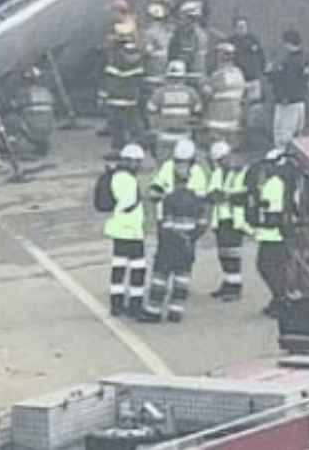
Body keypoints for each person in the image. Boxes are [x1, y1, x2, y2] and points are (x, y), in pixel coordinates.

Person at [139, 138, 208, 323]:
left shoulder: (192, 178)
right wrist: (192, 235)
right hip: (187, 234)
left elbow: (158, 197)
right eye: (179, 162)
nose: (180, 166)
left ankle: (154, 310)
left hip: (172, 234)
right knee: (182, 273)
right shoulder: (170, 168)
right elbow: (202, 214)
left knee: (162, 273)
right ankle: (176, 311)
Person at [248, 148, 293, 318]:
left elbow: (273, 211)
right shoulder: (277, 181)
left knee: (269, 267)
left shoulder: (276, 182)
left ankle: (281, 300)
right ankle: (278, 299)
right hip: (273, 233)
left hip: (274, 234)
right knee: (270, 267)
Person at [104, 144, 147, 317]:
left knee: (119, 268)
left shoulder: (116, 176)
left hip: (120, 229)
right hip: (130, 230)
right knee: (138, 269)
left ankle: (117, 304)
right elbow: (129, 202)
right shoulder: (126, 178)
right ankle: (135, 305)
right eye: (138, 162)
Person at [206, 141, 249, 301]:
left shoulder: (241, 172)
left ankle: (235, 288)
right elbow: (212, 194)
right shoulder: (218, 173)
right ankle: (227, 283)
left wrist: (225, 196)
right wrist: (220, 196)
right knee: (223, 253)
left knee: (233, 254)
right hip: (220, 218)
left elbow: (242, 196)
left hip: (234, 219)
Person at [145, 60, 201, 160]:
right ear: (183, 78)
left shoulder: (160, 93)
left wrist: (155, 127)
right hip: (184, 134)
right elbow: (198, 111)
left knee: (164, 166)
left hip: (164, 135)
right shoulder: (191, 92)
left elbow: (151, 111)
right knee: (183, 165)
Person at [100, 37, 146, 158]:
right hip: (131, 100)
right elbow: (140, 81)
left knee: (117, 127)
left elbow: (108, 82)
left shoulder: (114, 62)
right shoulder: (137, 62)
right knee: (133, 126)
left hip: (115, 100)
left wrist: (103, 97)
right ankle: (134, 150)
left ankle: (117, 149)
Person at [266, 28, 309, 151]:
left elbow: (284, 81)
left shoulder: (289, 62)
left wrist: (270, 73)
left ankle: (281, 160)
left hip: (287, 103)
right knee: (296, 134)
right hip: (300, 101)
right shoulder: (305, 59)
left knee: (283, 134)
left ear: (288, 43)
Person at [199, 42, 245, 151]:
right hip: (234, 120)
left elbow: (206, 94)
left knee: (216, 150)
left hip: (217, 120)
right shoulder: (238, 73)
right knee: (229, 151)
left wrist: (201, 83)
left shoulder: (217, 77)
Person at [3, 66, 55, 157]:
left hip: (33, 127)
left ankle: (11, 146)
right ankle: (41, 143)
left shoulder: (24, 92)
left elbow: (12, 105)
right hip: (48, 127)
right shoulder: (46, 91)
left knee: (10, 119)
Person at [167, 0, 209, 77]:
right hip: (173, 72)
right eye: (188, 17)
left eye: (193, 18)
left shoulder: (200, 36)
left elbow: (199, 59)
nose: (190, 21)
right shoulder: (174, 33)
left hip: (192, 75)